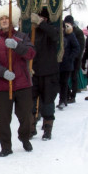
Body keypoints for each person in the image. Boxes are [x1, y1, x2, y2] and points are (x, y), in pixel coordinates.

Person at [0, 6, 36, 156]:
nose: (4, 21)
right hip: (3, 85)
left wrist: (17, 46)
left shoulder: (22, 37)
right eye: (1, 19)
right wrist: (3, 72)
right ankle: (6, 146)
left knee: (26, 116)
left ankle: (25, 137)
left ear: (12, 20)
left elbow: (31, 53)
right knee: (3, 119)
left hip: (23, 84)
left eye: (6, 18)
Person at [29, 7, 59, 140]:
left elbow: (54, 35)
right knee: (30, 102)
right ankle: (31, 127)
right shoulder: (32, 31)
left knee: (47, 102)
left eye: (41, 18)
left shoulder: (52, 29)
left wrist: (42, 24)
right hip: (34, 72)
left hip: (49, 73)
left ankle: (47, 129)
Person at [57, 21, 80, 110]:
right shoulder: (56, 36)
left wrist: (70, 57)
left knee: (64, 83)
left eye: (62, 28)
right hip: (57, 64)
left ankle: (62, 100)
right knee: (58, 83)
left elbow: (77, 47)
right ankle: (65, 98)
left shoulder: (70, 36)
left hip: (66, 64)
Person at [64, 15, 84, 103]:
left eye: (68, 23)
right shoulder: (64, 31)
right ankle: (67, 94)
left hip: (75, 59)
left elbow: (80, 46)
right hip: (67, 59)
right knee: (65, 78)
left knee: (74, 77)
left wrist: (74, 56)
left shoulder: (78, 32)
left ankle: (73, 95)